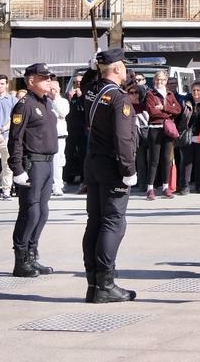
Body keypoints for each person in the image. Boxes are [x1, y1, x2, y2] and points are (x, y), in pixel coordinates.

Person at [82, 49, 139, 303]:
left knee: (95, 221)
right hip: (113, 167)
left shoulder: (93, 93)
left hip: (93, 165)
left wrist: (95, 67)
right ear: (116, 69)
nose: (126, 70)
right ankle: (105, 285)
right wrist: (129, 169)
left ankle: (94, 283)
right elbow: (122, 138)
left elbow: (87, 83)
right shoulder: (118, 98)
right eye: (123, 66)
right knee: (113, 222)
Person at [8, 63, 60, 278]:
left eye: (49, 77)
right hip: (33, 163)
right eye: (44, 78)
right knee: (30, 212)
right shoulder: (24, 104)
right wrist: (18, 168)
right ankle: (21, 261)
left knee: (42, 212)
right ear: (31, 81)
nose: (49, 81)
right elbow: (15, 139)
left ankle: (32, 255)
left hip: (47, 162)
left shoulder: (46, 102)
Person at [143, 70, 183, 200]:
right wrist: (167, 113)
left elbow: (178, 110)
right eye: (158, 79)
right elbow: (152, 112)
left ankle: (166, 187)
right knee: (154, 160)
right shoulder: (150, 94)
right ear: (154, 80)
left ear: (166, 81)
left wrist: (164, 107)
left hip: (167, 129)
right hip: (155, 129)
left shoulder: (170, 94)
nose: (160, 82)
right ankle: (150, 188)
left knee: (167, 159)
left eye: (163, 80)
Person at [181, 80, 200, 194]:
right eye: (194, 90)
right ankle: (185, 185)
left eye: (198, 90)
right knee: (187, 161)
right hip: (188, 135)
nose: (196, 92)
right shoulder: (186, 102)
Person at [65, 72, 88, 188]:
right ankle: (67, 177)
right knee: (69, 153)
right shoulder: (69, 95)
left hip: (83, 128)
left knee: (84, 154)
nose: (77, 85)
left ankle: (84, 178)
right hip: (71, 128)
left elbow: (87, 110)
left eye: (79, 83)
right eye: (75, 83)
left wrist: (82, 97)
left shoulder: (86, 94)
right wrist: (69, 99)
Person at [50, 78, 70, 197]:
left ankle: (57, 186)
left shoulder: (62, 101)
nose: (52, 91)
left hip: (59, 136)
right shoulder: (45, 101)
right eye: (50, 88)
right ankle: (48, 185)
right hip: (46, 136)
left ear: (59, 89)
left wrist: (55, 98)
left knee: (58, 162)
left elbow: (63, 113)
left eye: (54, 89)